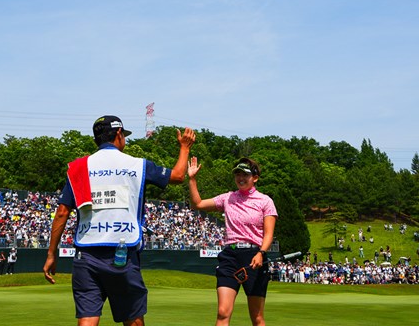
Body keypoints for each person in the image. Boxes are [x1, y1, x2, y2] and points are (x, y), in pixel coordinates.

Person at [43, 115, 196, 326]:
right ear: (118, 134)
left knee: (87, 320)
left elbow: (62, 212)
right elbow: (178, 176)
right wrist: (185, 147)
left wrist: (52, 253)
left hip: (86, 253)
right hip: (123, 254)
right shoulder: (137, 164)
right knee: (133, 319)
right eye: (123, 135)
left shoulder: (79, 167)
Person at [187, 156, 277, 326]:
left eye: (245, 175)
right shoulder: (227, 198)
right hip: (230, 256)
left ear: (255, 178)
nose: (240, 178)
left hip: (254, 257)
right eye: (238, 174)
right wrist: (192, 179)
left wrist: (261, 253)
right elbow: (197, 204)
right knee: (222, 313)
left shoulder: (265, 201)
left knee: (257, 317)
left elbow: (268, 234)